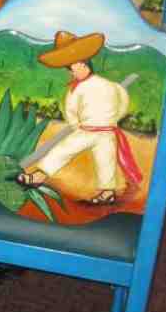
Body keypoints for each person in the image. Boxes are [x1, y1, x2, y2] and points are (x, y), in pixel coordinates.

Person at [16, 30, 142, 205]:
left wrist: (112, 121)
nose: (75, 71)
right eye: (72, 69)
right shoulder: (75, 90)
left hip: (107, 133)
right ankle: (38, 177)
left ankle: (107, 193)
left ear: (85, 65)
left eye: (77, 66)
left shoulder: (110, 86)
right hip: (86, 131)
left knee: (106, 160)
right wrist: (78, 126)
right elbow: (71, 112)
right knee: (62, 150)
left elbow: (122, 103)